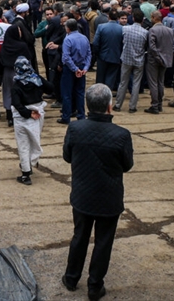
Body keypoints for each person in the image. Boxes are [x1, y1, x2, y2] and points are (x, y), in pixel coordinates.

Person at [62, 84, 133, 300]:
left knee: (80, 236)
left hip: (82, 194)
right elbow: (127, 165)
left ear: (87, 106)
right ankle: (95, 285)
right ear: (109, 107)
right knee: (103, 242)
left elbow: (67, 156)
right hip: (108, 197)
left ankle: (71, 277)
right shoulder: (121, 135)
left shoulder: (75, 129)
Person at [11, 56, 51, 185]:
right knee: (35, 140)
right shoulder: (37, 79)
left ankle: (26, 174)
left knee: (23, 145)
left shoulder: (16, 85)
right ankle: (32, 162)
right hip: (38, 114)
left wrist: (28, 113)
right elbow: (51, 88)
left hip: (22, 117)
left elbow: (16, 103)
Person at [0, 24, 34, 126]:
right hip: (20, 73)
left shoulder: (4, 46)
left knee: (7, 92)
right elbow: (28, 59)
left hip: (7, 72)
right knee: (20, 93)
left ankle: (9, 116)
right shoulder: (22, 46)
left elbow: (0, 59)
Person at [58, 18, 91, 125]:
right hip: (81, 67)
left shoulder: (68, 39)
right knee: (80, 93)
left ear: (68, 28)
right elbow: (89, 54)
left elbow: (66, 57)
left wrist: (75, 69)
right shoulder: (84, 38)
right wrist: (85, 68)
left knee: (67, 93)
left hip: (70, 68)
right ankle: (81, 115)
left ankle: (66, 116)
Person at [115, 9, 148, 112]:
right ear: (142, 20)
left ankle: (118, 105)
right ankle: (132, 106)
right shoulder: (145, 32)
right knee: (136, 83)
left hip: (126, 59)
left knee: (123, 82)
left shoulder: (125, 29)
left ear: (133, 18)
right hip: (139, 60)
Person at [145, 10, 174, 114]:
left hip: (154, 59)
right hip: (166, 59)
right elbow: (171, 45)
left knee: (153, 82)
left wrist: (158, 57)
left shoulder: (152, 30)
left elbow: (152, 47)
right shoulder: (170, 30)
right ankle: (160, 104)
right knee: (160, 82)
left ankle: (154, 105)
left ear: (154, 18)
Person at [92, 8, 123, 91]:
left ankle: (98, 94)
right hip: (116, 56)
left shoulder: (101, 27)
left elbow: (95, 43)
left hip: (102, 56)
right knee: (111, 78)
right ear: (118, 18)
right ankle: (107, 94)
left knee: (100, 78)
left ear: (108, 16)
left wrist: (97, 53)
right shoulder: (122, 29)